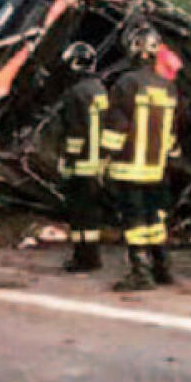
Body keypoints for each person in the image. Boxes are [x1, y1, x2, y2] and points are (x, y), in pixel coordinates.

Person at [102, 25, 181, 291]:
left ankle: (140, 272)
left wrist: (104, 160)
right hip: (155, 169)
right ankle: (162, 268)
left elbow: (116, 129)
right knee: (154, 218)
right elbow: (170, 134)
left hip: (129, 168)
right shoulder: (167, 87)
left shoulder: (126, 84)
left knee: (134, 219)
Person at [57, 42, 109, 273]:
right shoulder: (99, 89)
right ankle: (91, 255)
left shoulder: (75, 93)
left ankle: (83, 258)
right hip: (97, 162)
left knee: (79, 214)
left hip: (80, 163)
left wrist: (65, 159)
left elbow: (73, 130)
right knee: (91, 215)